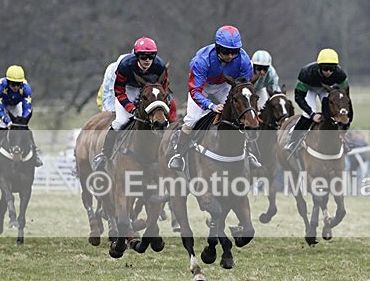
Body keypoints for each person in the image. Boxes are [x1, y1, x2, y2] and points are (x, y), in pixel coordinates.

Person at [167, 25, 256, 172]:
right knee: (192, 119)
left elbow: (243, 87)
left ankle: (250, 153)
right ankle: (179, 155)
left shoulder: (244, 60)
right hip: (203, 87)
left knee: (242, 114)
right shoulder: (202, 60)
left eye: (234, 52)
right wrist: (211, 106)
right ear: (217, 47)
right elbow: (195, 90)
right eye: (226, 52)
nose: (230, 56)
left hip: (225, 85)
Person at [90, 37, 169, 171]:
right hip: (128, 89)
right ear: (137, 56)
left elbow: (163, 88)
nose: (147, 60)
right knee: (120, 121)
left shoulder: (159, 66)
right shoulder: (125, 65)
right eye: (144, 57)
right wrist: (130, 108)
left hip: (150, 90)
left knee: (164, 121)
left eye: (151, 56)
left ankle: (168, 155)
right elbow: (119, 90)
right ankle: (104, 155)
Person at [284, 48, 350, 154]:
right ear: (319, 67)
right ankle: (293, 141)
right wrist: (312, 114)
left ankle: (342, 139)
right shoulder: (306, 73)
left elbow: (346, 98)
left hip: (328, 89)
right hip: (310, 89)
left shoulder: (340, 75)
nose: (329, 72)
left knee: (334, 113)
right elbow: (299, 97)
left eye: (332, 69)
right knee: (307, 114)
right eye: (325, 68)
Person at [0, 64, 43, 167]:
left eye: (18, 84)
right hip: (0, 104)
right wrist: (7, 122)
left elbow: (27, 108)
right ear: (8, 82)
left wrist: (23, 121)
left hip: (16, 104)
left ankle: (35, 154)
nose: (16, 87)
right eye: (13, 84)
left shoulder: (26, 88)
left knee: (24, 128)